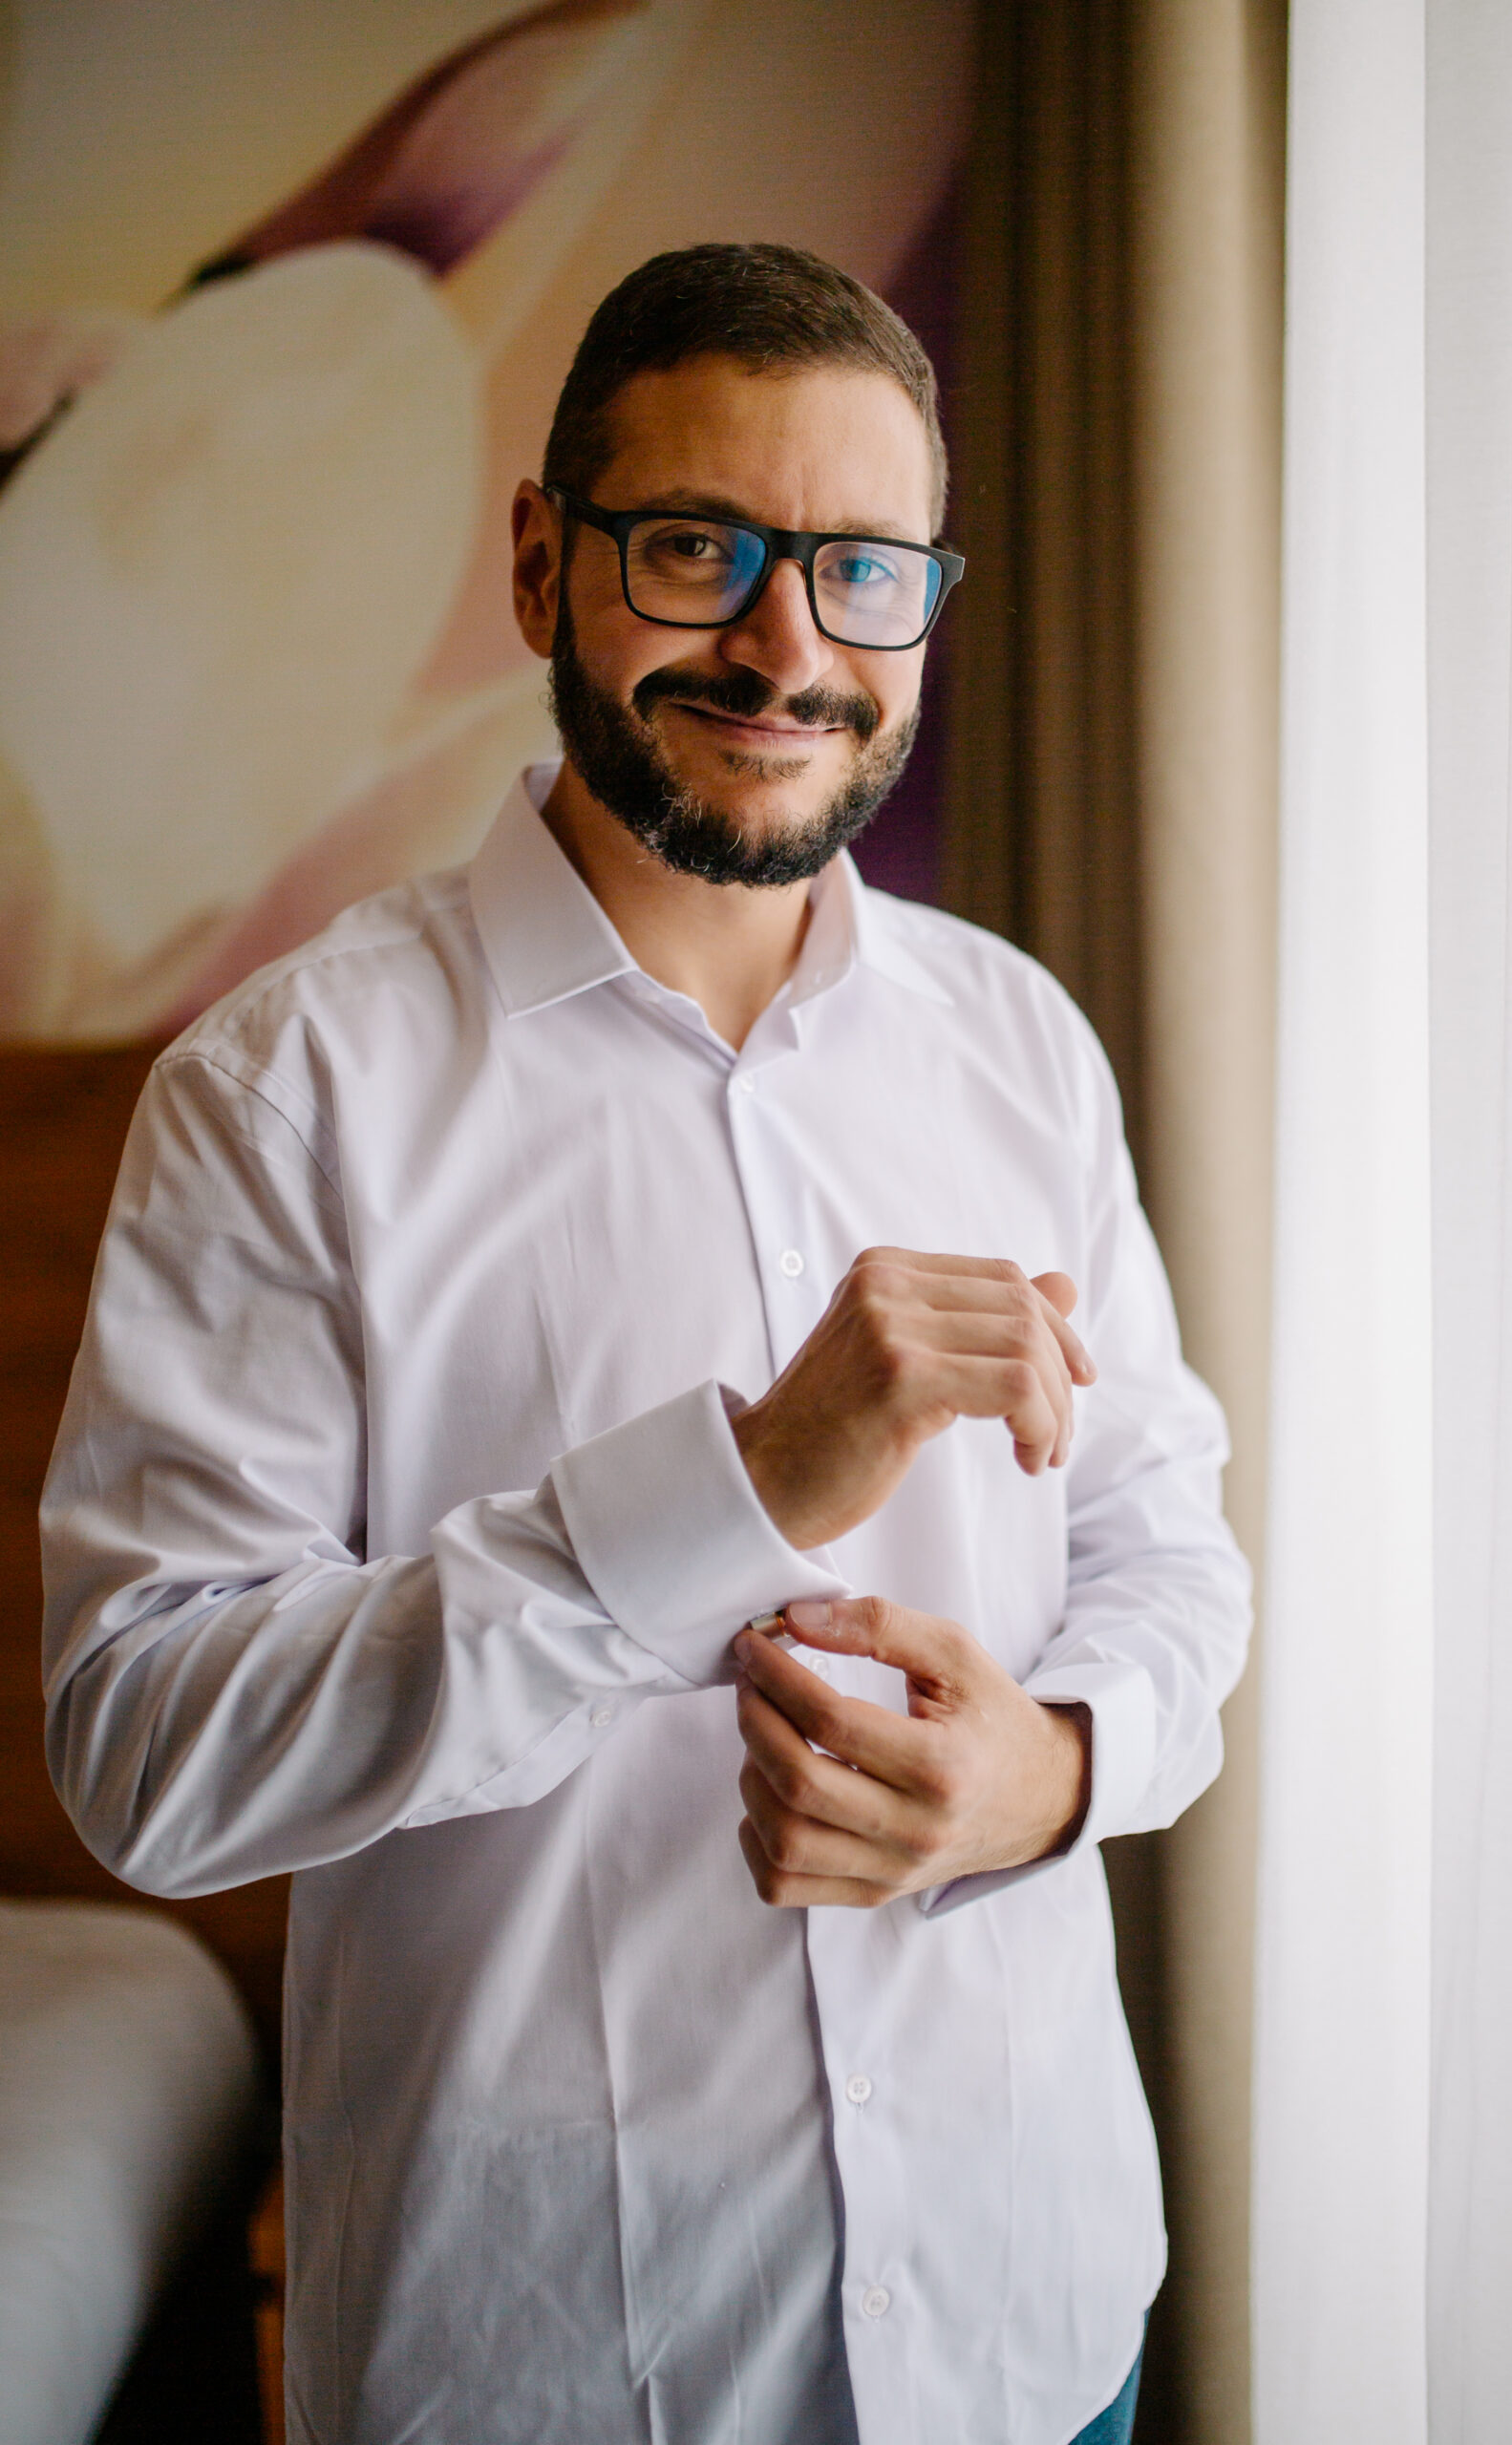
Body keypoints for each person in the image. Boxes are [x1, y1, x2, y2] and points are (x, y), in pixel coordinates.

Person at [41, 244, 1250, 2445]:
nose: (788, 643)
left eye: (862, 569)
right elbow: (147, 1750)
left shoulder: (1021, 1049)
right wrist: (739, 1488)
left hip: (1031, 2327)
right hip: (552, 2371)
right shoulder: (283, 1094)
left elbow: (1174, 1557)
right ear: (539, 561)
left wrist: (1045, 1775)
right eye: (700, 547)